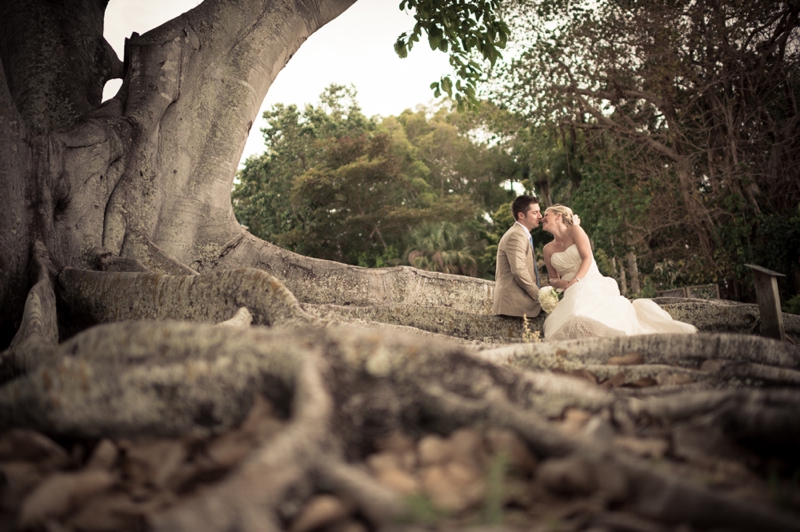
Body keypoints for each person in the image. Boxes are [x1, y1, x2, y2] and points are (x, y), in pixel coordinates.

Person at [540, 204, 697, 341]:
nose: (542, 218)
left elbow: (587, 258)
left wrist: (575, 281)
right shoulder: (547, 249)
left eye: (546, 215)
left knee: (579, 310)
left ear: (558, 216)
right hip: (566, 288)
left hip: (587, 279)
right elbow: (553, 278)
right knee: (566, 317)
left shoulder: (575, 230)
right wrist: (562, 284)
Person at [492, 195, 543, 318]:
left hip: (518, 306)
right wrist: (540, 296)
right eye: (535, 213)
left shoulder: (522, 234)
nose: (540, 216)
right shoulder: (516, 235)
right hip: (515, 307)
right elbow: (519, 271)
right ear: (521, 215)